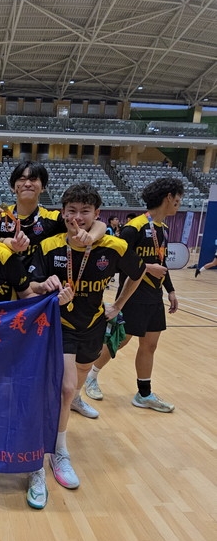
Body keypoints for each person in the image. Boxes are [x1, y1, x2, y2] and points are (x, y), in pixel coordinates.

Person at [28, 183, 146, 507]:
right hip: (60, 326)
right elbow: (31, 285)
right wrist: (45, 287)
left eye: (85, 211)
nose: (77, 218)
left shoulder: (113, 246)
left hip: (94, 324)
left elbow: (137, 273)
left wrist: (118, 305)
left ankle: (70, 408)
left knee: (77, 381)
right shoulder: (49, 245)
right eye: (72, 211)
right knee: (66, 389)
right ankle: (56, 452)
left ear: (97, 214)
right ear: (63, 213)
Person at [85, 176, 184, 413]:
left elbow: (161, 263)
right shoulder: (135, 227)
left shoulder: (163, 229)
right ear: (169, 197)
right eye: (178, 198)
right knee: (120, 340)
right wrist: (148, 268)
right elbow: (115, 260)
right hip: (133, 295)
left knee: (150, 345)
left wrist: (170, 290)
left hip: (154, 296)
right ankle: (90, 376)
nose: (179, 202)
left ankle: (144, 394)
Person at [0, 161, 106, 267]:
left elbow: (99, 225)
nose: (28, 184)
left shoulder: (53, 218)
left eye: (33, 179)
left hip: (40, 281)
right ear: (12, 187)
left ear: (43, 187)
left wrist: (91, 237)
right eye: (22, 179)